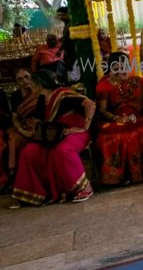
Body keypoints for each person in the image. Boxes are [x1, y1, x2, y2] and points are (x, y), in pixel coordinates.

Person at [10, 70, 96, 207]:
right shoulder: (40, 100)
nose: (29, 86)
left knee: (62, 150)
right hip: (54, 134)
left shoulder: (63, 93)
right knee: (29, 151)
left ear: (40, 85)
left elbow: (90, 104)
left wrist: (84, 127)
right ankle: (34, 195)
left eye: (32, 83)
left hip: (75, 131)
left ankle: (84, 188)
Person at [93, 52, 143, 186]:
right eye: (116, 68)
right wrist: (117, 118)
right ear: (110, 68)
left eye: (124, 67)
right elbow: (102, 110)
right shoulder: (104, 86)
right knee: (115, 138)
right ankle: (118, 178)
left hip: (137, 119)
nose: (121, 70)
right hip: (114, 121)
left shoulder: (138, 82)